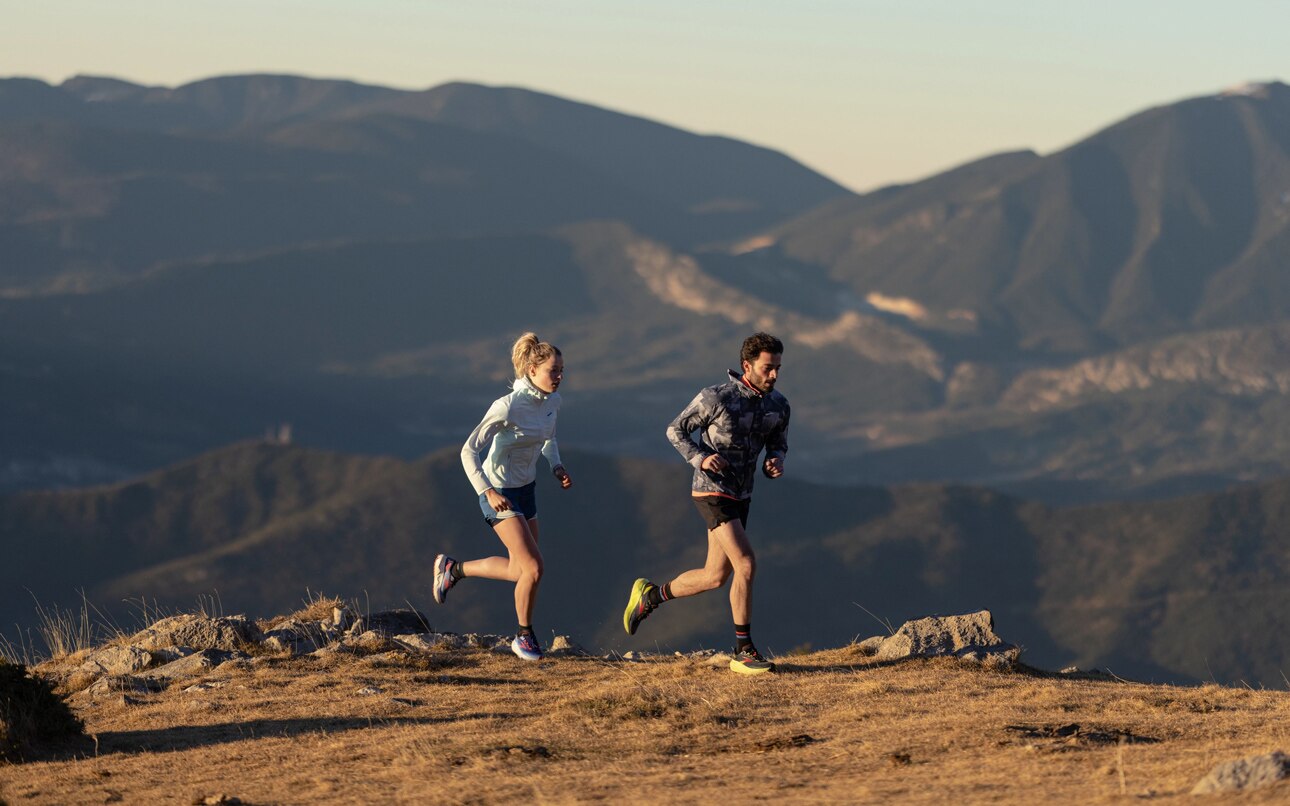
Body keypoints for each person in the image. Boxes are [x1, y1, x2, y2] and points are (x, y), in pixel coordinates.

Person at [622, 332, 789, 675]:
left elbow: (777, 442)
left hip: (742, 493)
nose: (773, 375)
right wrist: (700, 458)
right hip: (711, 491)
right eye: (767, 368)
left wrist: (775, 461)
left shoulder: (778, 405)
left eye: (777, 368)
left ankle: (650, 596)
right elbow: (675, 430)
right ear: (747, 366)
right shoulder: (717, 397)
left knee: (715, 576)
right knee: (746, 564)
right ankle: (743, 651)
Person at [433, 332, 572, 661]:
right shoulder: (508, 405)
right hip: (500, 492)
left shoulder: (552, 402)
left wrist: (556, 466)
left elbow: (549, 438)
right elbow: (468, 451)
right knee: (534, 568)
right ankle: (523, 636)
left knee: (519, 571)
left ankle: (453, 570)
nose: (559, 377)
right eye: (553, 370)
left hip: (527, 491)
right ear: (532, 370)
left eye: (561, 370)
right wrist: (488, 490)